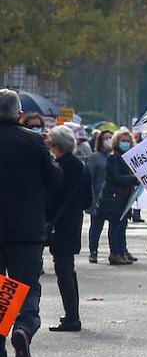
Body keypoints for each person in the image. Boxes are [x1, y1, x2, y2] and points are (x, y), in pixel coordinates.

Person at [0, 89, 62, 357]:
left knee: (1, 294)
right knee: (25, 286)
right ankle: (24, 327)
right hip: (26, 231)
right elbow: (55, 179)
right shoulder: (34, 141)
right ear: (20, 114)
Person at [45, 125, 92, 332]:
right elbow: (88, 200)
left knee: (62, 269)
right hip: (73, 222)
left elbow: (48, 197)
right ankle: (72, 313)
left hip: (57, 223)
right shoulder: (82, 167)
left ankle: (72, 317)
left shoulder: (56, 167)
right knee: (68, 268)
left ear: (55, 145)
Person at [97, 128, 141, 265]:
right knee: (115, 226)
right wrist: (135, 178)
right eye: (123, 141)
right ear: (117, 141)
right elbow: (116, 177)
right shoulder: (113, 157)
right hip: (114, 197)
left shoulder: (128, 157)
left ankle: (122, 251)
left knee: (122, 226)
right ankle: (115, 253)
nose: (126, 143)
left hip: (125, 197)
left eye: (128, 141)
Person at [86, 131, 112, 264]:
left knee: (115, 227)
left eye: (111, 138)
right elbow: (89, 177)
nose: (109, 140)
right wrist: (90, 197)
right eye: (106, 138)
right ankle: (93, 251)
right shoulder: (95, 157)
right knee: (96, 226)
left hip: (112, 197)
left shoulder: (115, 157)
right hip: (97, 196)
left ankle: (117, 251)